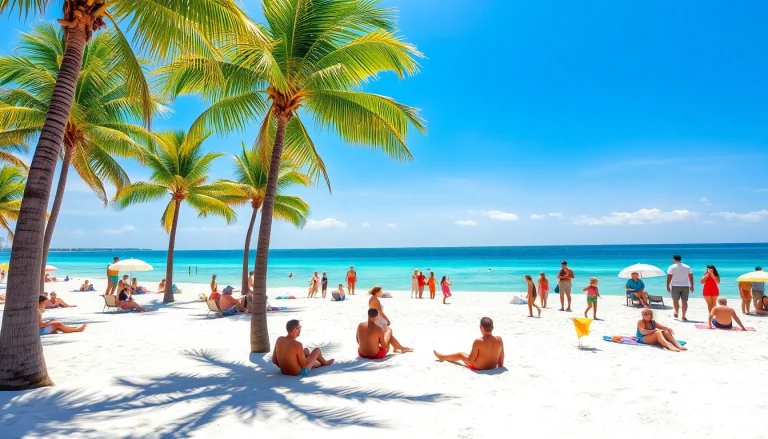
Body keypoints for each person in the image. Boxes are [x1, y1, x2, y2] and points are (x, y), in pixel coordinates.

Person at [433, 317, 504, 371]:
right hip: (493, 366)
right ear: (492, 327)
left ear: (481, 327)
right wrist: (499, 366)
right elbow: (501, 359)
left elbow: (470, 361)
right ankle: (442, 357)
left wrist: (466, 359)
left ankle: (442, 357)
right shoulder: (499, 339)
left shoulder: (478, 341)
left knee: (461, 354)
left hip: (478, 367)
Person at [666, 255, 694, 321]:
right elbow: (690, 276)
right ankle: (683, 316)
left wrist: (667, 285)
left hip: (675, 285)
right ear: (680, 259)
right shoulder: (687, 267)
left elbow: (669, 277)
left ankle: (676, 311)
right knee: (684, 301)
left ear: (674, 259)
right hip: (685, 285)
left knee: (675, 300)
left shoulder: (671, 267)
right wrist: (692, 285)